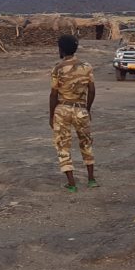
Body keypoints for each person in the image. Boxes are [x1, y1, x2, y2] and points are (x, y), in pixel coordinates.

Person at [48, 34, 97, 192]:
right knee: (86, 143)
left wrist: (51, 115)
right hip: (81, 109)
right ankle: (91, 179)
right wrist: (87, 109)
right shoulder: (86, 66)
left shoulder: (58, 68)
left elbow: (54, 94)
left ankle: (71, 183)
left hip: (62, 109)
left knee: (63, 144)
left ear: (61, 49)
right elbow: (92, 90)